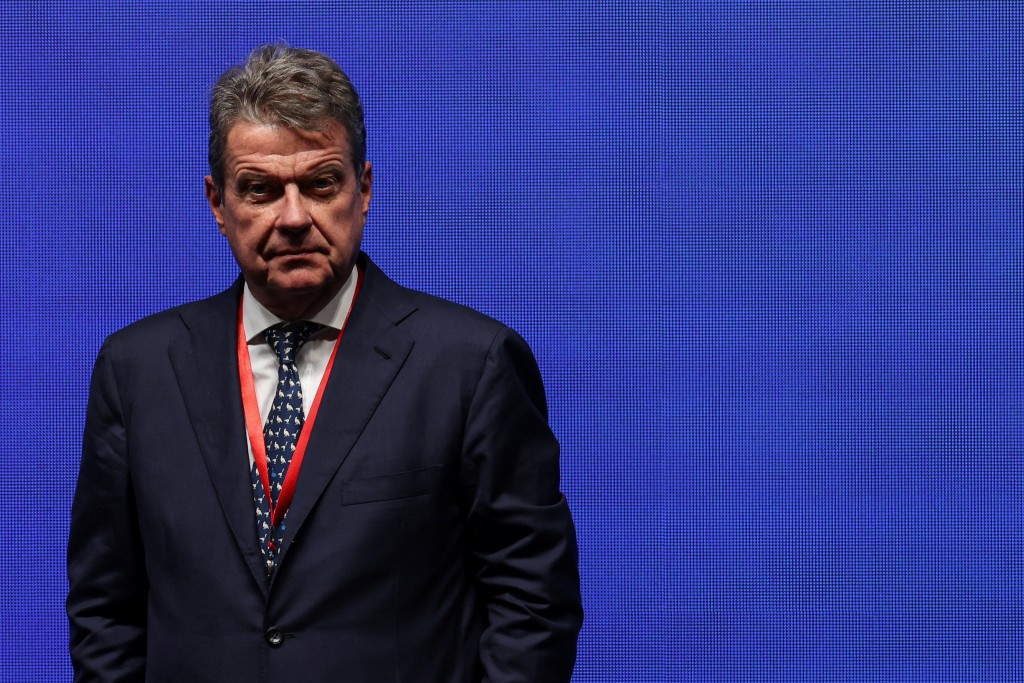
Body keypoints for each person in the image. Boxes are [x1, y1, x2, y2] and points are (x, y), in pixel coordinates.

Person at [67, 44, 582, 682]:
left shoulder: (471, 364)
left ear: (362, 190)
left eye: (320, 183)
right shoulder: (136, 368)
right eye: (259, 189)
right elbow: (105, 607)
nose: (292, 217)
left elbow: (534, 604)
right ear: (217, 204)